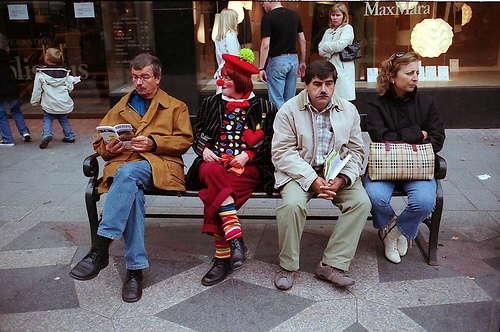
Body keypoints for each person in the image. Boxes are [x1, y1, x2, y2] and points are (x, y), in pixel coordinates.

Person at [69, 53, 193, 303]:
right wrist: (109, 148)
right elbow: (99, 143)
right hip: (127, 168)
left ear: (157, 78)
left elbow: (184, 141)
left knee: (126, 175)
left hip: (160, 166)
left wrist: (153, 142)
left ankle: (100, 247)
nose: (139, 82)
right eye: (135, 77)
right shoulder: (121, 107)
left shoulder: (176, 106)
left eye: (145, 77)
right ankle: (135, 272)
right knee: (131, 190)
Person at [271, 60, 370, 291]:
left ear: (335, 85)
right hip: (299, 172)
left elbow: (357, 151)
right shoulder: (289, 110)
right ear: (306, 85)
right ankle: (287, 266)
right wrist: (312, 180)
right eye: (317, 84)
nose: (323, 89)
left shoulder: (348, 110)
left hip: (336, 173)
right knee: (293, 205)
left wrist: (343, 179)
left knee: (360, 203)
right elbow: (282, 152)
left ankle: (332, 264)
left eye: (329, 83)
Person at [188, 49, 278, 286]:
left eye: (227, 78)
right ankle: (234, 236)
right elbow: (198, 133)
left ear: (240, 80)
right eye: (222, 77)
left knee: (214, 195)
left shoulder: (265, 107)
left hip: (248, 169)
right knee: (213, 173)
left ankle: (222, 258)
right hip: (212, 164)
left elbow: (271, 139)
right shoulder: (210, 103)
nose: (221, 82)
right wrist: (204, 149)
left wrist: (248, 155)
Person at [365, 51, 445, 264]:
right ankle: (397, 228)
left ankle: (392, 233)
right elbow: (380, 138)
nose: (415, 77)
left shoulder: (427, 103)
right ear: (392, 77)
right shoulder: (376, 105)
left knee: (425, 202)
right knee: (374, 197)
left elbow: (437, 139)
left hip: (418, 168)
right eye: (409, 73)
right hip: (384, 168)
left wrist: (398, 140)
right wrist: (418, 134)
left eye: (417, 72)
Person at [259, 1, 307, 109]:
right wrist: (303, 61)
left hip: (277, 61)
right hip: (294, 60)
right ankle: (291, 125)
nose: (262, 4)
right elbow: (302, 40)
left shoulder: (267, 17)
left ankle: (280, 125)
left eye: (263, 1)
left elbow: (265, 45)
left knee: (276, 100)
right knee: (290, 100)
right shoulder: (294, 15)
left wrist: (261, 67)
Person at [30, 48, 80, 149]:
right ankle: (70, 136)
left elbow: (37, 90)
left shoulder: (40, 73)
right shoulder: (65, 73)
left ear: (46, 58)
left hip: (49, 103)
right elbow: (70, 87)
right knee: (63, 118)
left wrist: (34, 101)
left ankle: (47, 134)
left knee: (47, 118)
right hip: (62, 102)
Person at [318, 3, 356, 101]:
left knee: (342, 99)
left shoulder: (347, 29)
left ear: (344, 16)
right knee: (330, 97)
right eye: (333, 15)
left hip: (342, 67)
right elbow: (320, 50)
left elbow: (340, 45)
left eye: (338, 15)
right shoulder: (328, 31)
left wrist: (326, 47)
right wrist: (331, 51)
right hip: (329, 67)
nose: (335, 18)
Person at [0, 33, 31, 147]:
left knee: (1, 114)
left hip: (1, 92)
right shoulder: (6, 57)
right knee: (16, 111)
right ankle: (24, 131)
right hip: (12, 89)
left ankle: (8, 139)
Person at [214, 8, 241, 94]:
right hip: (231, 72)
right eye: (236, 19)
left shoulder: (218, 38)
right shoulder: (231, 35)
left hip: (222, 70)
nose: (237, 21)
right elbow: (234, 57)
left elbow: (218, 58)